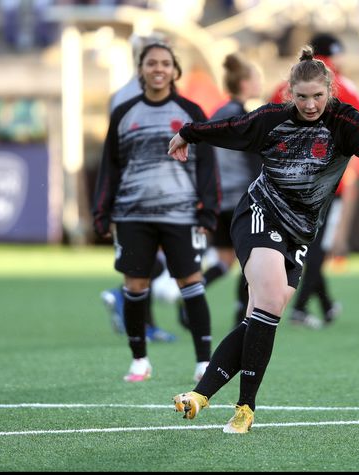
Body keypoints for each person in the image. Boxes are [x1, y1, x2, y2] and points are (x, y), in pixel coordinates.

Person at [168, 45, 359, 434]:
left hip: (301, 230)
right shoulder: (273, 119)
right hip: (260, 211)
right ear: (290, 93)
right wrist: (187, 133)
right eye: (302, 96)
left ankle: (201, 396)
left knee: (263, 315)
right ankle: (245, 408)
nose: (310, 104)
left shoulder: (343, 120)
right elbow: (229, 129)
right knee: (269, 301)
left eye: (318, 96)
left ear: (330, 93)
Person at [92, 42, 220, 383]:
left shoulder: (191, 111)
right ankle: (139, 361)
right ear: (141, 69)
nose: (159, 69)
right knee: (134, 284)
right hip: (132, 214)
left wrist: (208, 210)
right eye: (152, 63)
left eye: (165, 63)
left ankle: (203, 363)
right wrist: (101, 211)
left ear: (175, 70)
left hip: (181, 214)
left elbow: (207, 164)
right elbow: (110, 167)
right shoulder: (124, 113)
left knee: (190, 282)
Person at [269, 32, 359, 328]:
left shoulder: (285, 87)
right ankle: (299, 308)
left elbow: (264, 125)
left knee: (301, 244)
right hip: (323, 181)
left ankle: (324, 304)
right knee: (315, 246)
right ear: (334, 56)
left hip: (283, 181)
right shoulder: (339, 86)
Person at [99, 33, 180, 343]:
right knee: (155, 256)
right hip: (149, 185)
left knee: (147, 256)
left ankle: (142, 321)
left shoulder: (119, 95)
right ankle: (125, 301)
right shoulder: (149, 96)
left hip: (130, 186)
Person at [197, 52, 263, 325]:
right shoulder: (243, 117)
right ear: (245, 83)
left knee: (225, 259)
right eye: (256, 78)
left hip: (219, 198)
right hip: (240, 199)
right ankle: (241, 315)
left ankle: (191, 295)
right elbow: (253, 161)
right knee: (251, 258)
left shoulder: (217, 113)